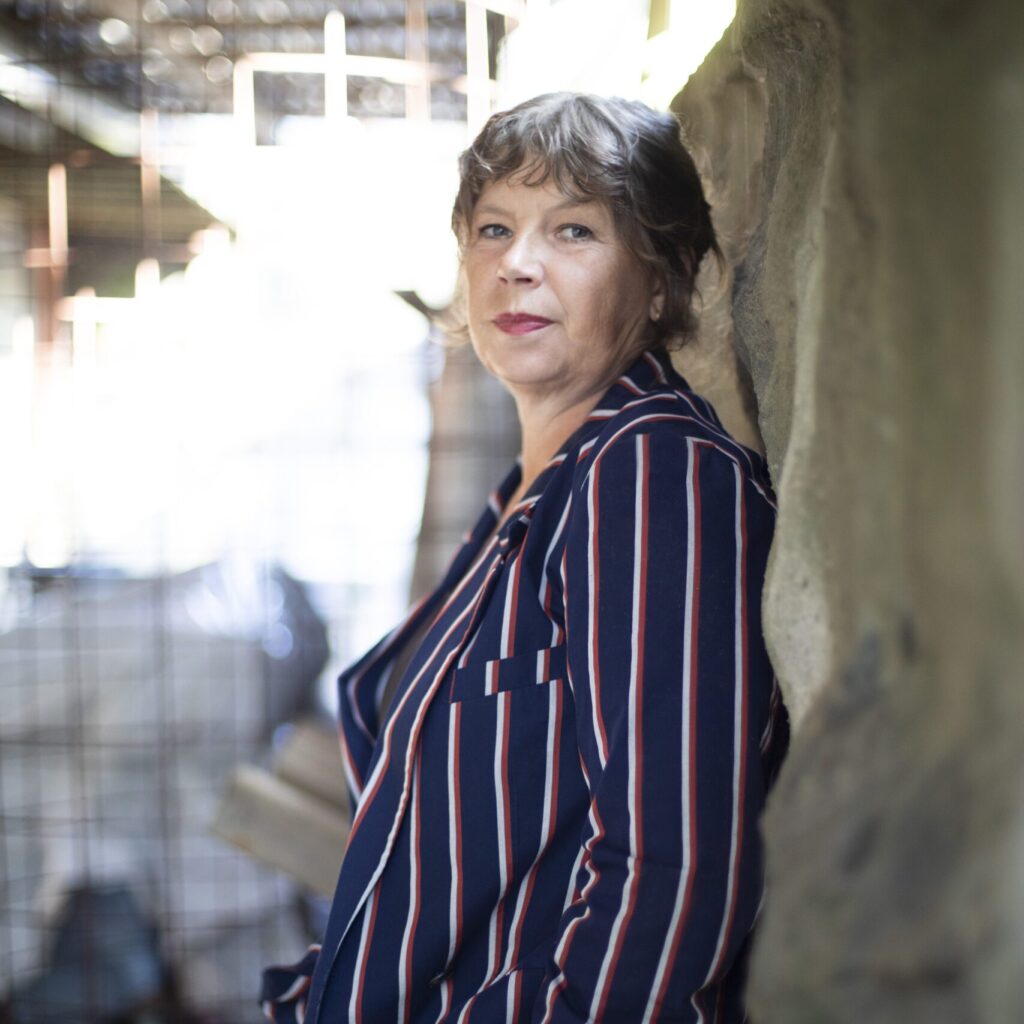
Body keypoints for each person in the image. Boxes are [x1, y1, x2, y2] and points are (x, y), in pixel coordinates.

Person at [260, 92, 789, 1024]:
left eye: (574, 230)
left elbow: (674, 868)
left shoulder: (651, 474)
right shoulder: (525, 498)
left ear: (661, 279)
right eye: (494, 229)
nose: (517, 263)